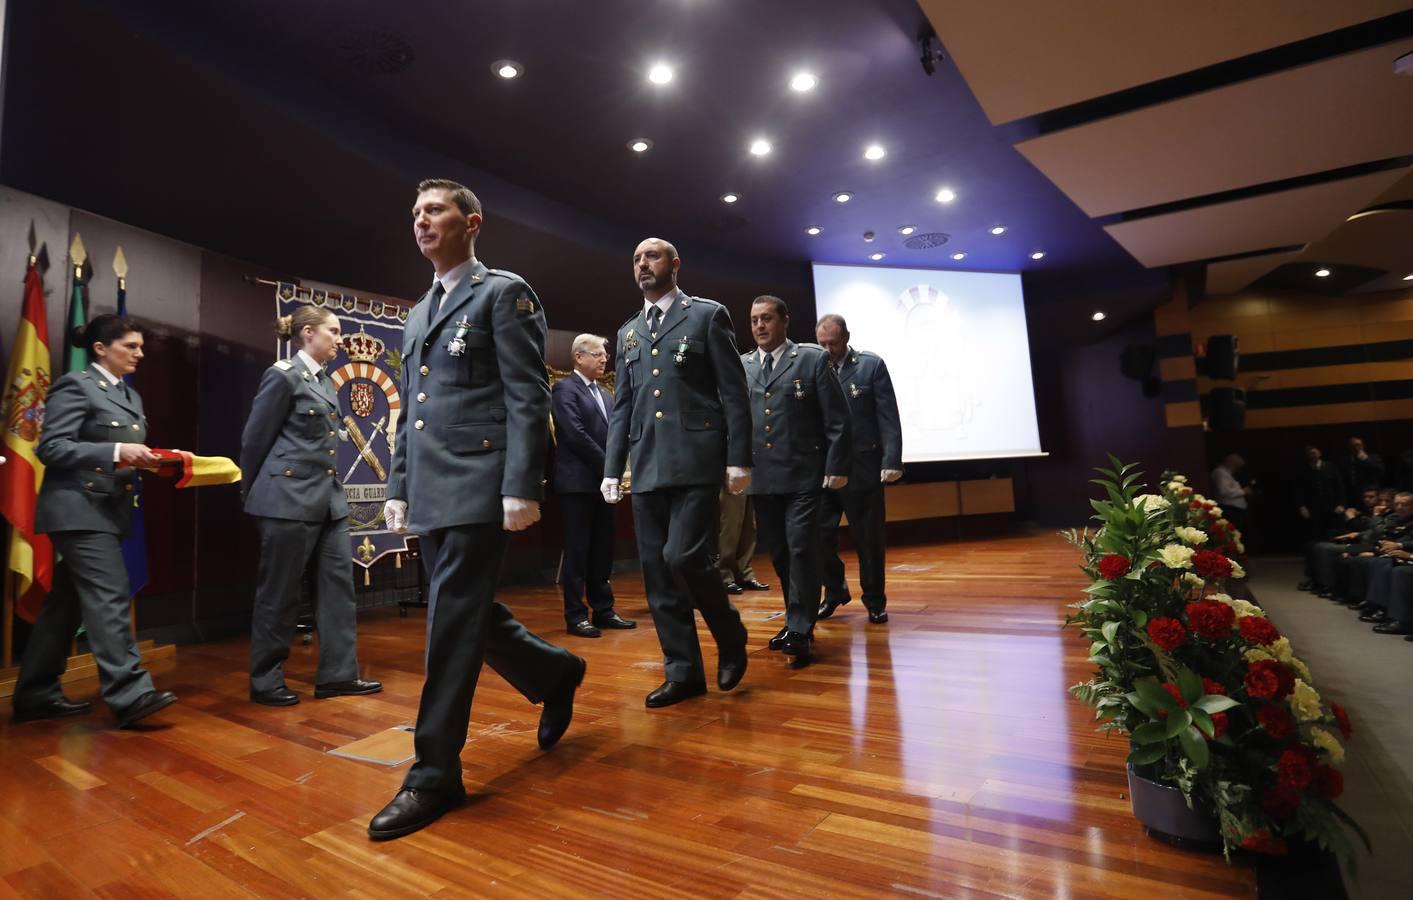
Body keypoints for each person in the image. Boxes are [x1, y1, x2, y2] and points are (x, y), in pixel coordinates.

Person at [368, 179, 585, 840]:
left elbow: (527, 395)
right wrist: (398, 487)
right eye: (414, 213)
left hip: (480, 484)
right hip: (432, 488)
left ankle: (434, 773)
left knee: (450, 625)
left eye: (433, 210)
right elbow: (409, 415)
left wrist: (521, 484)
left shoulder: (502, 293)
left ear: (472, 222)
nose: (420, 221)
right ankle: (555, 671)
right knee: (462, 613)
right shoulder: (416, 312)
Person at [601, 237, 751, 709]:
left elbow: (733, 392)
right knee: (657, 575)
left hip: (695, 459)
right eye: (636, 258)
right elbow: (623, 407)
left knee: (683, 556)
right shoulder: (628, 332)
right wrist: (612, 467)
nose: (643, 264)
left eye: (652, 256)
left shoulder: (706, 315)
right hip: (646, 465)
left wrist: (739, 457)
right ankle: (683, 671)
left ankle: (729, 631)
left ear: (675, 265)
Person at [9, 315, 177, 727]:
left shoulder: (128, 396)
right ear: (101, 348)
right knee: (110, 597)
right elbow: (52, 448)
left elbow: (123, 451)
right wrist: (118, 451)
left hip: (107, 510)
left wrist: (153, 461)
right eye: (130, 346)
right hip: (77, 508)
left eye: (140, 347)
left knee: (65, 605)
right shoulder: (77, 385)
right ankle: (130, 695)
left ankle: (35, 693)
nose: (140, 353)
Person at [239, 307, 383, 706]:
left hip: (328, 503)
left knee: (339, 592)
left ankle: (338, 675)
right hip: (286, 501)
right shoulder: (282, 376)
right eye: (334, 332)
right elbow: (254, 441)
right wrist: (254, 494)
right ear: (308, 333)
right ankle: (265, 679)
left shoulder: (322, 381)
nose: (340, 340)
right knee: (280, 594)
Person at [742, 297, 851, 666]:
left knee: (802, 547)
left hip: (805, 475)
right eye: (755, 320)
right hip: (763, 478)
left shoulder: (811, 358)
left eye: (767, 318)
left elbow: (838, 419)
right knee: (779, 553)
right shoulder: (742, 366)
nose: (759, 326)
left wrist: (836, 467)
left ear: (785, 321)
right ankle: (794, 620)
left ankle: (801, 629)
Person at [813, 314, 903, 624]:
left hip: (862, 467)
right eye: (821, 343)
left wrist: (892, 460)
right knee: (816, 535)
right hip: (824, 470)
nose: (827, 350)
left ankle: (875, 600)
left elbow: (887, 415)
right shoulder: (813, 366)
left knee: (869, 540)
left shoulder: (869, 365)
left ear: (846, 338)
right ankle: (834, 590)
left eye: (833, 343)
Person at [550, 333, 636, 637]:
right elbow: (574, 434)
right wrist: (609, 465)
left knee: (603, 548)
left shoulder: (606, 394)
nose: (604, 360)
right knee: (577, 550)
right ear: (579, 357)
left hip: (602, 483)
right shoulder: (564, 389)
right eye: (598, 355)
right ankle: (576, 615)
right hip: (578, 484)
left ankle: (604, 610)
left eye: (604, 355)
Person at [717, 488, 768, 594]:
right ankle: (724, 575)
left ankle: (744, 574)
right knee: (730, 525)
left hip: (751, 474)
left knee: (749, 526)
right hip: (729, 474)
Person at [1210, 453, 1252, 540]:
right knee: (1233, 536)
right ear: (1231, 463)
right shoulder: (1220, 472)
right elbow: (1224, 491)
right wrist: (1243, 491)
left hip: (1236, 510)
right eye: (1236, 466)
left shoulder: (1226, 473)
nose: (1236, 470)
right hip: (1230, 510)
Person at [1339, 437, 1385, 507]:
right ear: (1349, 447)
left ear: (1363, 445)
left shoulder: (1373, 457)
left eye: (1358, 445)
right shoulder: (1344, 461)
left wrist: (1366, 460)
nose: (1356, 448)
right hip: (1353, 496)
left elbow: (1380, 471)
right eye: (1353, 446)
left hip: (1370, 494)